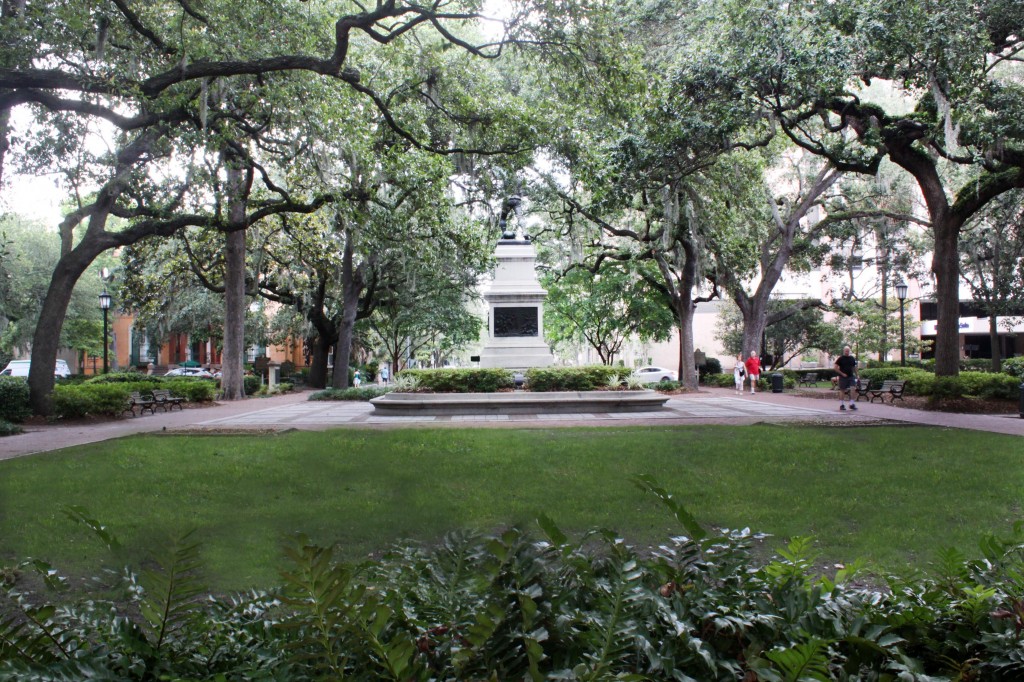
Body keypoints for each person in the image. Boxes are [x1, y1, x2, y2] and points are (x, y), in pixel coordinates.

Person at [834, 345, 858, 411]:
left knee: (853, 388)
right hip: (843, 377)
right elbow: (835, 368)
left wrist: (857, 375)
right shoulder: (840, 358)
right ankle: (842, 405)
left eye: (848, 351)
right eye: (846, 351)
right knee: (842, 390)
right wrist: (842, 373)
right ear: (844, 351)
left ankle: (851, 404)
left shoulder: (852, 358)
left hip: (851, 376)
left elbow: (854, 367)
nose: (847, 352)